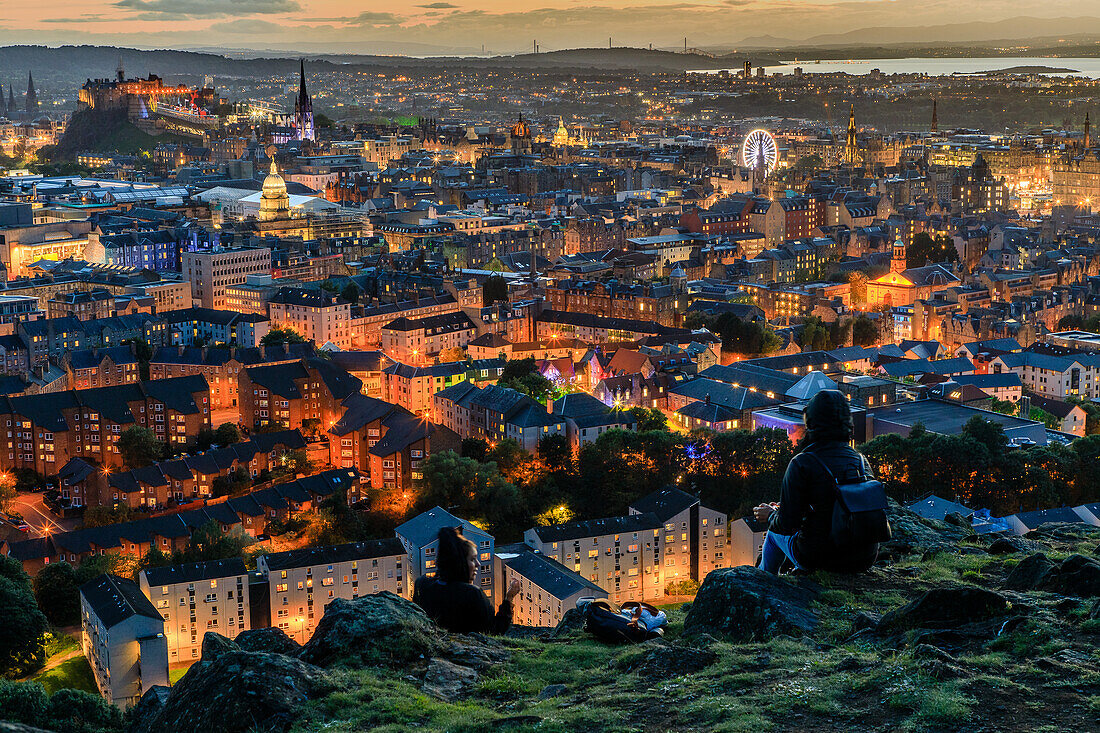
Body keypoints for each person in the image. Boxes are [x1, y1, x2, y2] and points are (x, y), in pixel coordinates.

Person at [754, 389, 879, 575]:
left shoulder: (802, 463)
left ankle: (764, 584)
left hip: (820, 557)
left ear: (811, 422)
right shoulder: (860, 461)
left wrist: (771, 515)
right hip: (864, 558)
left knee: (773, 535)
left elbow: (787, 524)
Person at [413, 526, 521, 634]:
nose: (478, 564)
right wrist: (509, 598)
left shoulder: (422, 585)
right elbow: (495, 630)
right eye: (472, 559)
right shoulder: (472, 594)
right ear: (460, 563)